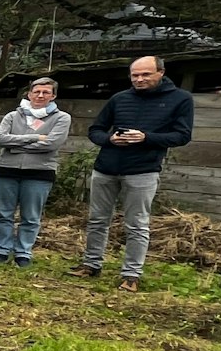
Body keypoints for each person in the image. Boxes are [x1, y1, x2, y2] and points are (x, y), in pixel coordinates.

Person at [72, 55, 194, 291]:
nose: (139, 79)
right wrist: (110, 139)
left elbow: (182, 135)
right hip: (106, 167)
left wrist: (146, 138)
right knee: (97, 220)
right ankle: (91, 264)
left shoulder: (180, 99)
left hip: (143, 171)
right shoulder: (120, 98)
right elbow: (95, 130)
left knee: (137, 224)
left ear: (161, 72)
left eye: (145, 74)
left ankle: (131, 275)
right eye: (135, 75)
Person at [0, 77, 71, 268]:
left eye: (46, 92)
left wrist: (16, 144)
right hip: (6, 170)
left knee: (31, 216)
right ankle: (1, 250)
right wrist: (35, 138)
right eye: (37, 92)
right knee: (3, 213)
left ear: (53, 96)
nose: (40, 96)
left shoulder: (61, 118)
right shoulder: (12, 116)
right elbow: (0, 139)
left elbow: (52, 144)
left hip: (40, 172)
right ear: (29, 94)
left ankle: (23, 252)